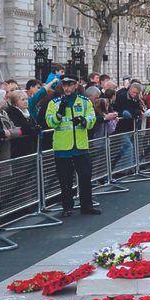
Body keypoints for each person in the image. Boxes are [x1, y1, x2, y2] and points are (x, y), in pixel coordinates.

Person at [44, 77, 99, 217]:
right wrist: (59, 113)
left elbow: (92, 120)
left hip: (81, 146)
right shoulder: (54, 103)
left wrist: (83, 120)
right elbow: (50, 123)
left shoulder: (85, 102)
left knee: (86, 176)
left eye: (70, 85)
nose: (67, 88)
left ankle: (87, 205)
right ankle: (67, 207)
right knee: (65, 180)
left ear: (76, 85)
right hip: (62, 148)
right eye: (64, 85)